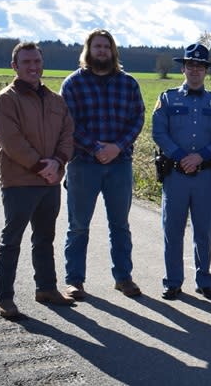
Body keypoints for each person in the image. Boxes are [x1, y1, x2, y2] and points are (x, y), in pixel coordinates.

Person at [60, 29, 146, 299]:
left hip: (120, 164)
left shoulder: (128, 83)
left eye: (106, 47)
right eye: (97, 47)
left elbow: (138, 118)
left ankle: (123, 278)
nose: (101, 51)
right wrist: (96, 147)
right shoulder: (73, 84)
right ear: (88, 50)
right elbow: (68, 123)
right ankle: (75, 280)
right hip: (83, 164)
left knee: (120, 225)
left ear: (113, 52)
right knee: (78, 225)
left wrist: (117, 146)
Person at [0, 42, 75, 319]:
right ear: (14, 66)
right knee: (12, 239)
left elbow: (67, 134)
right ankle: (4, 297)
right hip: (19, 182)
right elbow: (11, 141)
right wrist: (43, 165)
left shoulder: (56, 101)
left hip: (49, 182)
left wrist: (58, 162)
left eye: (37, 61)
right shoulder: (6, 100)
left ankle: (46, 288)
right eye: (26, 62)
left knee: (45, 237)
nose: (33, 67)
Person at [152, 43, 211, 301]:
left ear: (206, 70)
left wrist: (200, 156)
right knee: (172, 230)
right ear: (183, 68)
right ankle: (172, 282)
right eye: (190, 65)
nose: (195, 70)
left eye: (200, 66)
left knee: (203, 230)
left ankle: (204, 281)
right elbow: (159, 133)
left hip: (204, 176)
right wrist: (181, 156)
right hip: (175, 175)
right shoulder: (167, 99)